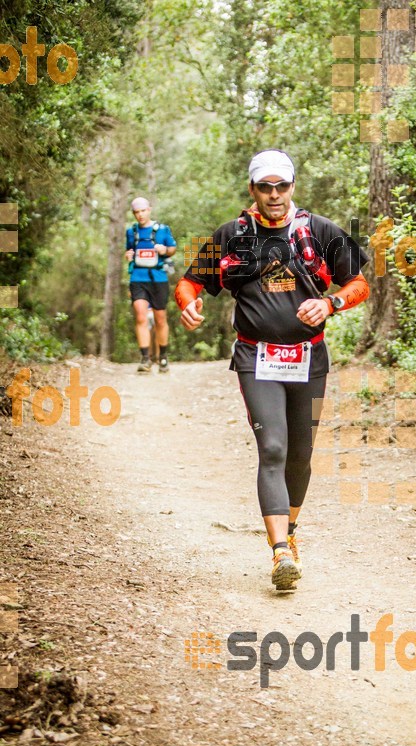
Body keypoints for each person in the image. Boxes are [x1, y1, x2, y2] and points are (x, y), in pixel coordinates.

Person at [175, 150, 370, 589]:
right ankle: (280, 551)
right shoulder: (232, 235)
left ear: (293, 186)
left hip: (309, 357)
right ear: (253, 190)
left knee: (300, 456)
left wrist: (331, 302)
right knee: (274, 449)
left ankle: (292, 535)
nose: (275, 194)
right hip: (256, 358)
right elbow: (189, 282)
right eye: (266, 186)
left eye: (281, 185)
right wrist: (188, 304)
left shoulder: (320, 232)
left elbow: (359, 283)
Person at [125, 197, 177, 373]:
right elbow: (129, 249)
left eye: (143, 211)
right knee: (140, 316)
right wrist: (129, 254)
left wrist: (165, 250)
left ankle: (162, 357)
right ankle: (145, 358)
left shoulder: (163, 230)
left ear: (149, 209)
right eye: (136, 212)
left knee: (160, 319)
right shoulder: (131, 232)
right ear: (134, 214)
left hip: (158, 279)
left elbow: (172, 248)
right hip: (137, 278)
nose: (140, 215)